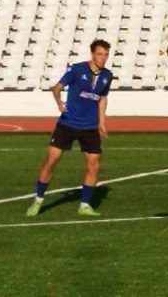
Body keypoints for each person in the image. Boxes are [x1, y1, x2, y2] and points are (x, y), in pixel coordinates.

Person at [26, 40, 113, 217]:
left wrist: (102, 122)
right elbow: (56, 88)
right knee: (50, 162)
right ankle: (38, 200)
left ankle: (84, 205)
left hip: (90, 127)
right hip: (67, 124)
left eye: (106, 55)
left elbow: (102, 98)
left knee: (93, 166)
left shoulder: (107, 75)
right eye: (99, 54)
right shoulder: (77, 69)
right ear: (92, 54)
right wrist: (59, 102)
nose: (103, 58)